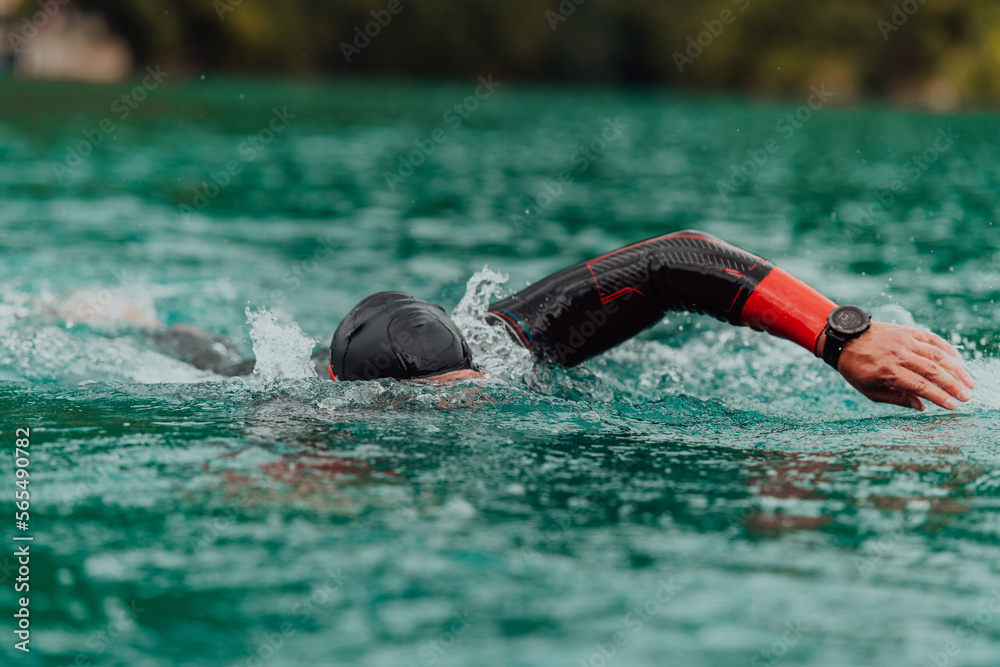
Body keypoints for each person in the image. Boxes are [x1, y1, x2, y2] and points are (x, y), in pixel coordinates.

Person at [326, 230, 975, 411]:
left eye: (468, 390)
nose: (475, 404)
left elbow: (675, 258)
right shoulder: (303, 423)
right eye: (444, 403)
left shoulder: (508, 345)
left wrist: (842, 336)